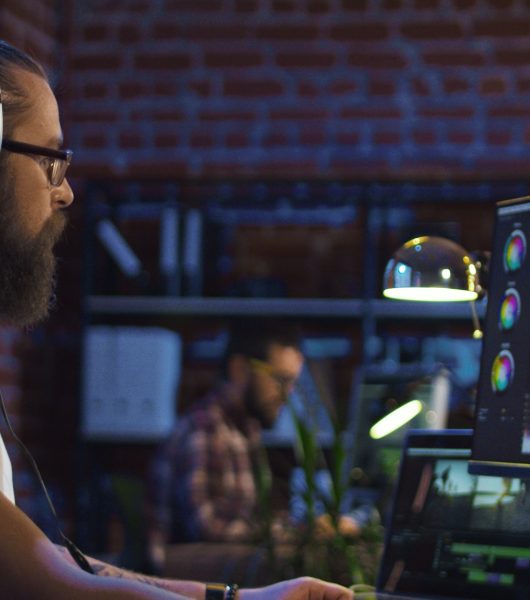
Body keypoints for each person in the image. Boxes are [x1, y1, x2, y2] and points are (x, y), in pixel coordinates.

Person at [0, 39, 351, 600]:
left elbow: (63, 567)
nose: (64, 191)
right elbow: (47, 582)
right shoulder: (206, 434)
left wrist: (239, 598)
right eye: (49, 160)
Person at [147, 319, 306, 558]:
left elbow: (248, 520)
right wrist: (295, 533)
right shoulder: (206, 429)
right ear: (240, 369)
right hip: (183, 585)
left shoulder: (243, 430)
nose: (288, 394)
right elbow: (207, 528)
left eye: (293, 382)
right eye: (281, 379)